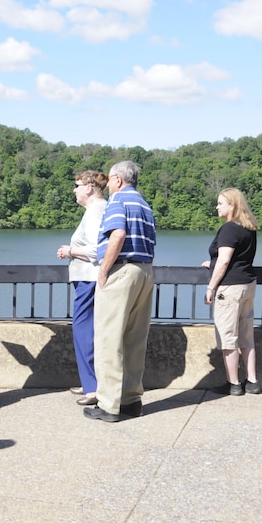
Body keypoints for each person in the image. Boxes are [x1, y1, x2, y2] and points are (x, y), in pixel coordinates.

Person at [85, 160, 156, 423]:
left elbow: (117, 235)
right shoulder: (145, 205)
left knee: (108, 338)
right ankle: (131, 400)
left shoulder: (117, 200)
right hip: (145, 271)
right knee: (135, 340)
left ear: (117, 179)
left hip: (122, 272)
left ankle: (108, 404)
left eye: (109, 179)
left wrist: (103, 271)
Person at [202, 188, 260, 396]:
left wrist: (211, 287)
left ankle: (233, 383)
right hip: (247, 285)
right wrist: (212, 263)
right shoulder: (249, 227)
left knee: (228, 337)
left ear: (232, 205)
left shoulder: (229, 229)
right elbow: (237, 258)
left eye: (220, 203)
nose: (217, 207)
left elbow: (226, 259)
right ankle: (252, 381)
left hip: (230, 288)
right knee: (246, 335)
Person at [57, 170, 108, 405]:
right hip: (89, 280)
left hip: (89, 280)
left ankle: (93, 389)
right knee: (90, 332)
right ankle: (91, 383)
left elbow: (98, 249)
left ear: (89, 188)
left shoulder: (96, 211)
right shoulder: (96, 210)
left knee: (83, 331)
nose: (74, 189)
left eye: (76, 185)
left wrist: (70, 251)